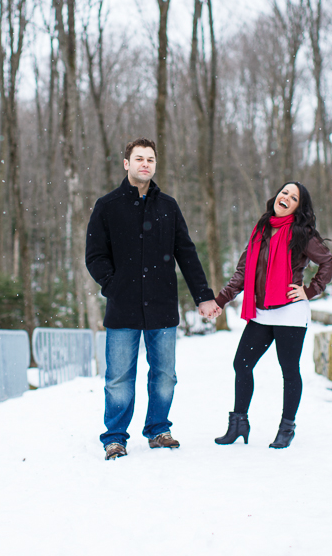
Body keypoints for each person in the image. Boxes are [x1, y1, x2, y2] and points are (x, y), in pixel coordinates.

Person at [86, 137, 221, 460]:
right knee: (118, 377)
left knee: (164, 375)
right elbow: (95, 256)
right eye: (139, 158)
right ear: (126, 164)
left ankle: (158, 429)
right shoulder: (108, 206)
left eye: (150, 159)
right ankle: (115, 437)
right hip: (122, 309)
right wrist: (114, 286)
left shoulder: (168, 207)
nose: (145, 164)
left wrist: (203, 296)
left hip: (162, 308)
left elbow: (186, 254)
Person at [213, 181, 332, 449]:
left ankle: (287, 427)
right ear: (277, 197)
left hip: (290, 312)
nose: (286, 198)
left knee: (289, 371)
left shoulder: (303, 233)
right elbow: (243, 271)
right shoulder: (262, 229)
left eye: (293, 197)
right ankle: (239, 423)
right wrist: (221, 299)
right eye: (284, 193)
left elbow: (328, 261)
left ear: (298, 206)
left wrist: (311, 290)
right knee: (242, 365)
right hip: (261, 310)